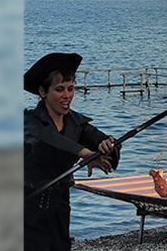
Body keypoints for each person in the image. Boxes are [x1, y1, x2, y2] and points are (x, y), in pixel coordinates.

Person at [24, 53, 121, 250]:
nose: (67, 95)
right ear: (43, 91)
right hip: (26, 206)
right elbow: (52, 140)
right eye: (59, 89)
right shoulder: (28, 122)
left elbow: (107, 143)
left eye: (70, 89)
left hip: (60, 205)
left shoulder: (77, 123)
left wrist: (106, 146)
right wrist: (85, 153)